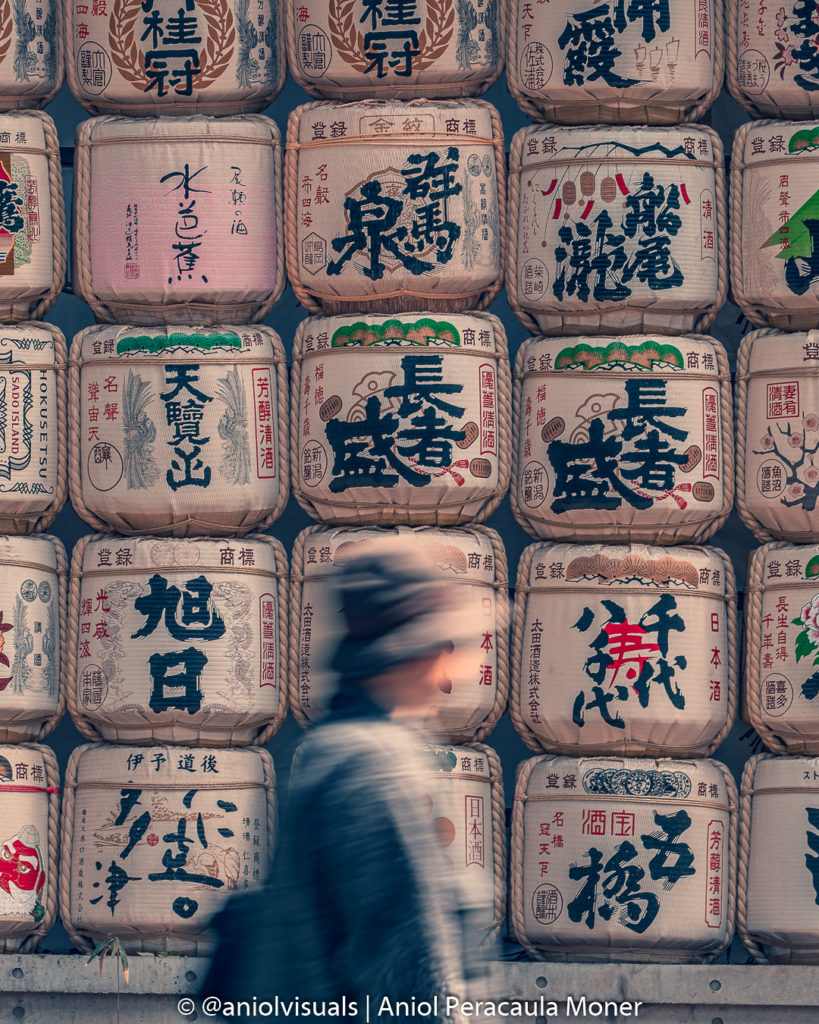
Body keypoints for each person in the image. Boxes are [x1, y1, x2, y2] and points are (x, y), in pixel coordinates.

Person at [203, 541, 477, 1022]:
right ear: (419, 655)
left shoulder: (327, 748)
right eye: (447, 648)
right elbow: (411, 974)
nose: (450, 672)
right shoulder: (376, 767)